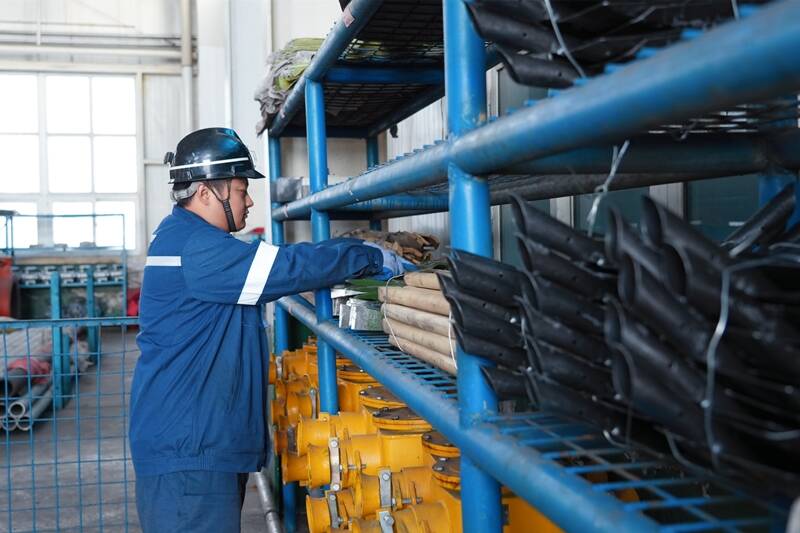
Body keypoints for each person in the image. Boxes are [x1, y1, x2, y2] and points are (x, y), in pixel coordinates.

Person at [129, 128, 407, 532]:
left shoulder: (182, 237)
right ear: (206, 192)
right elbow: (288, 267)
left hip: (193, 441)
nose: (249, 201)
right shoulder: (197, 248)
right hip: (189, 452)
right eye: (241, 190)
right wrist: (367, 256)